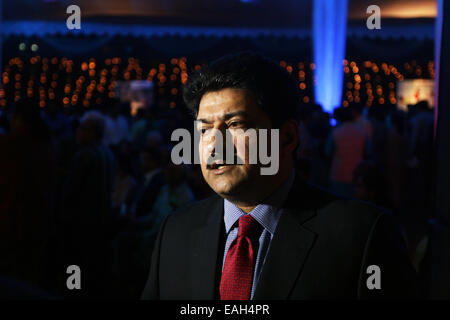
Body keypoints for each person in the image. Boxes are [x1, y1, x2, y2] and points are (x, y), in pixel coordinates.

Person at [141, 52, 418, 300]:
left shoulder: (363, 235)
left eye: (235, 125)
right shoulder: (176, 231)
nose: (214, 145)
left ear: (287, 137)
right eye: (204, 130)